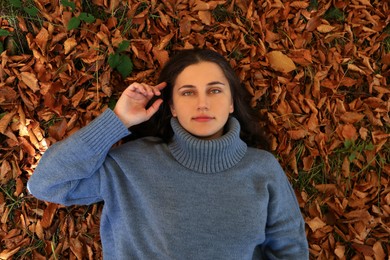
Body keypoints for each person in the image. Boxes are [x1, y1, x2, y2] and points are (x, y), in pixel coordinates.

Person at [28, 49, 309, 259]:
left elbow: (290, 251)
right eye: (188, 93)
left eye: (214, 90)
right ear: (172, 106)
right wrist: (118, 121)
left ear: (232, 103)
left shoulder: (262, 168)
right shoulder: (132, 163)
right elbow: (46, 184)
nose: (202, 104)